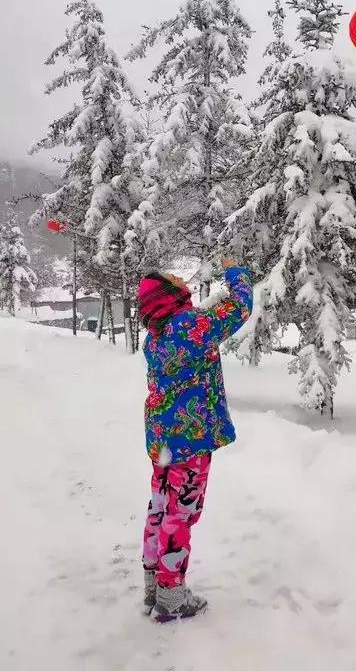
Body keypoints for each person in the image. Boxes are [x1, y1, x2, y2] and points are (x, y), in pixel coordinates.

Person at [137, 258, 253, 622]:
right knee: (181, 512)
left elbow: (194, 322)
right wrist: (235, 271)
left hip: (163, 439)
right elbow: (240, 307)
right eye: (172, 279)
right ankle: (172, 596)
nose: (177, 277)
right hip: (189, 439)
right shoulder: (189, 328)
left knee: (160, 506)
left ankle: (154, 584)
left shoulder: (155, 336)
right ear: (169, 296)